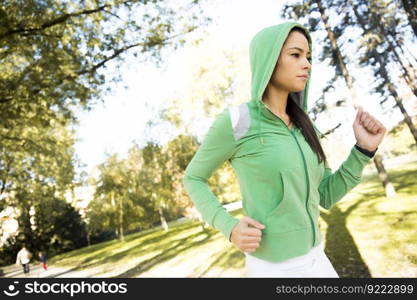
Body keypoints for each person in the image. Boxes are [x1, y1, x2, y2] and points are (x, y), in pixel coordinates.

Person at [182, 21, 386, 277]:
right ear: (269, 60)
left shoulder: (305, 124)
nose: (307, 64)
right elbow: (193, 177)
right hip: (273, 268)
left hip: (318, 259)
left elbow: (326, 195)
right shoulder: (237, 121)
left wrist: (363, 151)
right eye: (295, 54)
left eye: (308, 57)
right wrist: (228, 226)